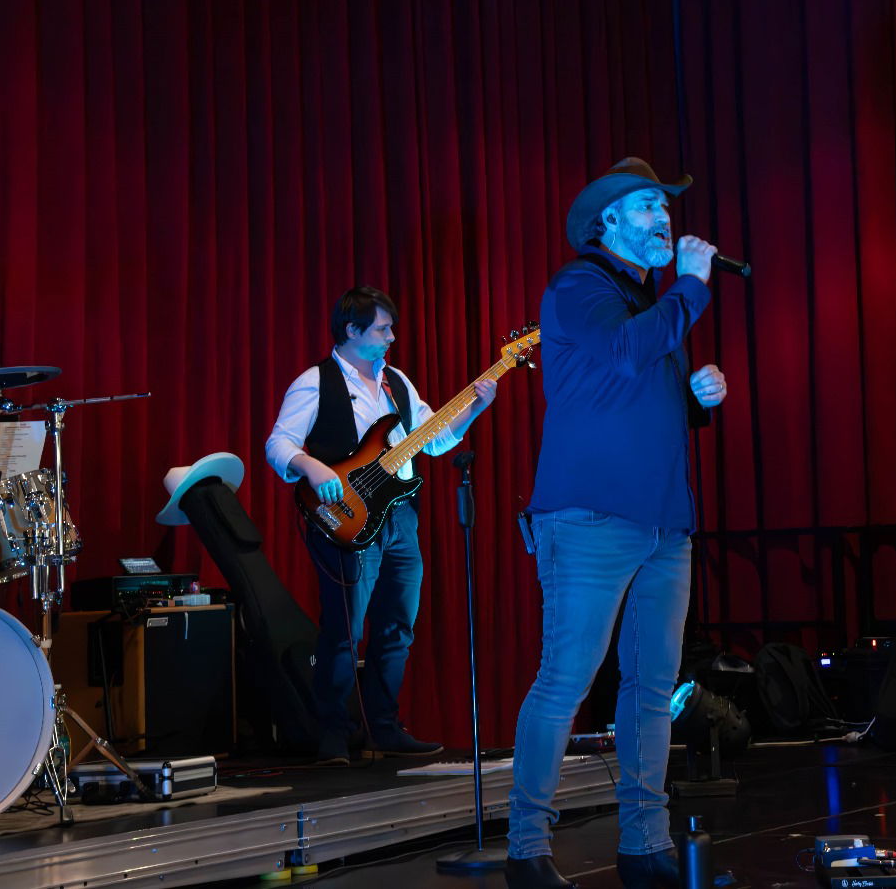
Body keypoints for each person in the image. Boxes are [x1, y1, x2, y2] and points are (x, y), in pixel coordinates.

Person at [505, 157, 728, 889]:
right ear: (607, 221)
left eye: (664, 205)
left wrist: (695, 399)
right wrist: (692, 285)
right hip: (590, 517)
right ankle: (526, 850)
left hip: (663, 521)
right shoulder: (580, 287)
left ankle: (646, 845)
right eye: (645, 205)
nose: (663, 217)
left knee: (653, 687)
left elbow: (633, 395)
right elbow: (629, 352)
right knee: (566, 680)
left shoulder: (646, 300)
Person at [265, 286, 496, 765]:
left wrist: (475, 407)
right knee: (345, 630)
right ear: (352, 331)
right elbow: (279, 444)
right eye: (382, 329)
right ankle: (333, 734)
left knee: (397, 624)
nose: (392, 337)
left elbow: (433, 441)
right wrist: (312, 467)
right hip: (346, 517)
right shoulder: (315, 381)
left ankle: (384, 727)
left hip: (400, 518)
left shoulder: (397, 382)